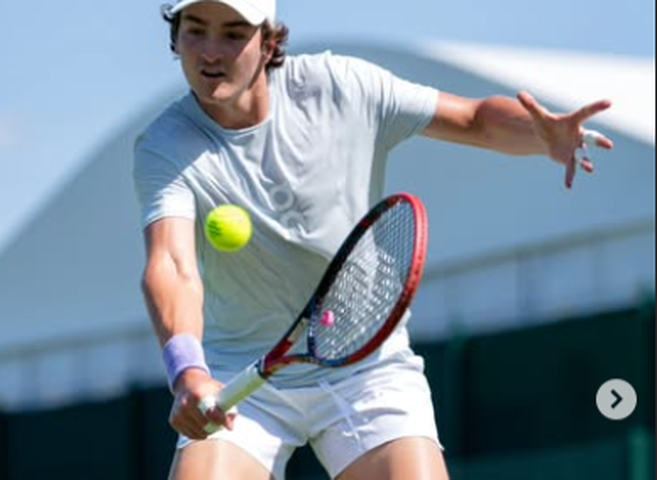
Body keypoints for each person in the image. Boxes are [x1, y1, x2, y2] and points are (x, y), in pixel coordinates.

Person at [133, 1, 614, 479]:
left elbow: (472, 118)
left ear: (269, 42)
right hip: (243, 371)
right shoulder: (166, 145)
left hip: (364, 365)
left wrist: (541, 134)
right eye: (196, 30)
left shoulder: (340, 88)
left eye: (234, 34)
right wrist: (187, 370)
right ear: (175, 37)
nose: (211, 52)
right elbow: (172, 265)